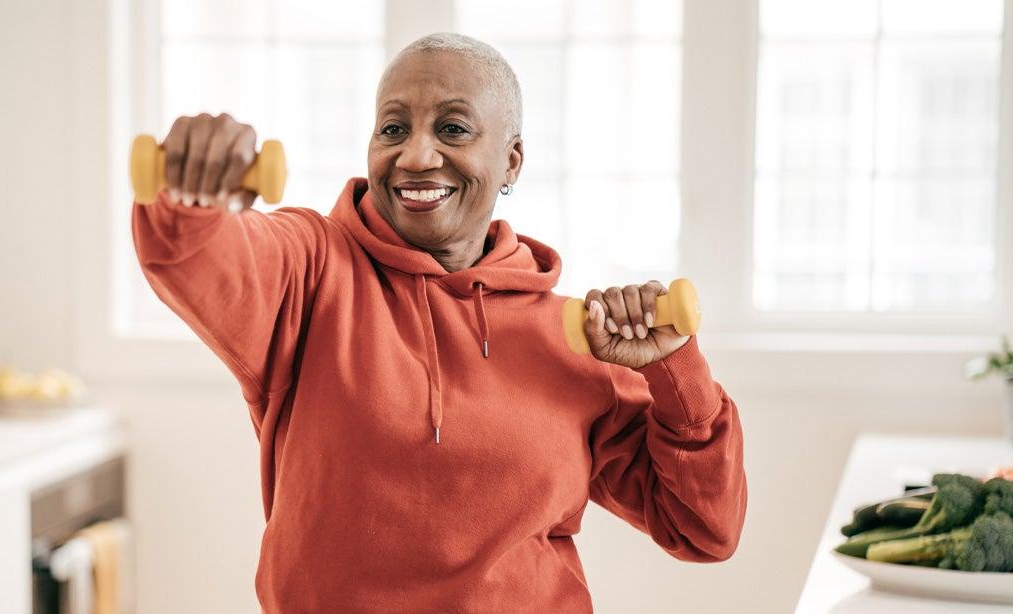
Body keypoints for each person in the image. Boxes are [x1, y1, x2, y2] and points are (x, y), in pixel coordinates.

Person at [133, 32, 746, 614]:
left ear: (511, 162)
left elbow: (703, 528)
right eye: (392, 128)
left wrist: (675, 371)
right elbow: (195, 255)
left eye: (452, 128)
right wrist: (191, 194)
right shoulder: (313, 270)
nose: (416, 156)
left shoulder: (574, 336)